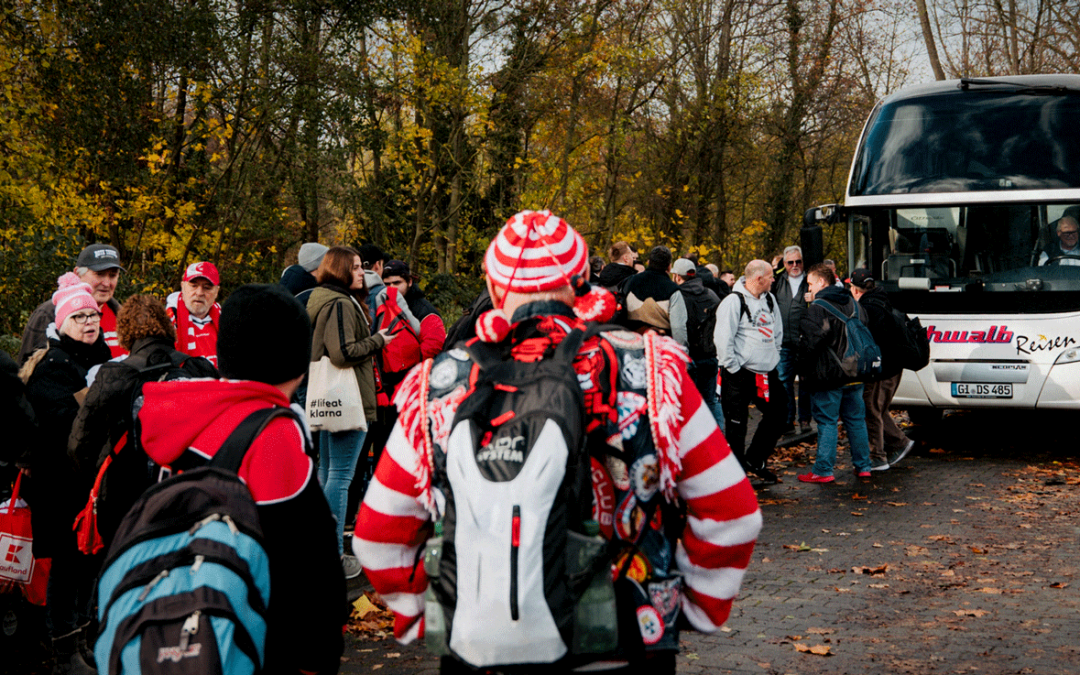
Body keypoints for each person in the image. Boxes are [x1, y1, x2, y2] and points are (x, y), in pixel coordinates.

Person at [353, 210, 761, 674]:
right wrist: (692, 608)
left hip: (479, 649)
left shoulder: (440, 384)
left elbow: (378, 535)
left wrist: (420, 615)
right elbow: (731, 512)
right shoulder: (651, 369)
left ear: (495, 288)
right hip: (626, 642)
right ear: (583, 278)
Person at [134, 283, 346, 675]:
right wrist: (319, 653)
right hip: (254, 641)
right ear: (297, 361)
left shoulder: (186, 416)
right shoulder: (274, 433)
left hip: (182, 626)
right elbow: (304, 559)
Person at [68, 295, 219, 544]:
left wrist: (96, 480)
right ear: (166, 327)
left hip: (125, 498)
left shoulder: (113, 375)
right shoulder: (198, 368)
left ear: (125, 332)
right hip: (189, 491)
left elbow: (80, 444)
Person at [20, 273, 113, 675]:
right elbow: (61, 425)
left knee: (89, 561)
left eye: (93, 314)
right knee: (66, 564)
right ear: (62, 322)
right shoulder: (52, 365)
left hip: (91, 482)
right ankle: (63, 650)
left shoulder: (102, 354)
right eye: (80, 316)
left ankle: (84, 638)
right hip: (60, 483)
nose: (90, 322)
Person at [306, 247, 391, 579]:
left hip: (327, 396)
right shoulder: (341, 303)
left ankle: (321, 548)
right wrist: (378, 340)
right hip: (348, 396)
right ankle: (334, 556)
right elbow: (342, 353)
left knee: (327, 472)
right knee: (340, 477)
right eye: (355, 267)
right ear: (340, 270)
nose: (361, 272)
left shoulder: (320, 297)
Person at [797, 264, 873, 483]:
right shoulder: (854, 303)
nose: (809, 287)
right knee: (856, 421)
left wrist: (801, 368)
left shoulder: (818, 307)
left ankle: (823, 470)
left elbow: (811, 342)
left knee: (827, 421)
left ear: (822, 282)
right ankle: (864, 466)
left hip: (828, 375)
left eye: (811, 283)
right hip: (855, 372)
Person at [714, 260, 786, 484]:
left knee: (779, 414)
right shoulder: (733, 302)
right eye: (771, 276)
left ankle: (755, 459)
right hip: (739, 373)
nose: (774, 279)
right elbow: (722, 339)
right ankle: (736, 476)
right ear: (758, 279)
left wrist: (771, 357)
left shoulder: (770, 300)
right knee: (737, 424)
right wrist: (734, 369)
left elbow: (777, 333)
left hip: (766, 373)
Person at [847, 269, 915, 470]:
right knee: (878, 408)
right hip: (894, 367)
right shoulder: (884, 299)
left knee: (871, 409)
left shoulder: (868, 308)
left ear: (856, 290)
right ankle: (899, 442)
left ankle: (878, 455)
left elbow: (871, 342)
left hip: (882, 370)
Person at [19, 244, 126, 364]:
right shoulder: (49, 314)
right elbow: (28, 369)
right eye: (99, 274)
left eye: (113, 275)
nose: (107, 283)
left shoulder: (125, 317)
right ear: (77, 274)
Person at [671, 258, 724, 429]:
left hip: (690, 357)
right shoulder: (711, 294)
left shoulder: (677, 297)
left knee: (690, 404)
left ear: (677, 277)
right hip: (710, 355)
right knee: (710, 400)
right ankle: (720, 439)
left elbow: (679, 328)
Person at [774, 246, 811, 435]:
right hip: (784, 342)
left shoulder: (811, 281)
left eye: (798, 261)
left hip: (805, 343)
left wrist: (815, 297)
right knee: (783, 382)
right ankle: (787, 420)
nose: (795, 265)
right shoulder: (777, 282)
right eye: (791, 262)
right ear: (785, 264)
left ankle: (805, 419)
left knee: (805, 383)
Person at [620, 245, 688, 346]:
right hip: (661, 347)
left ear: (648, 262)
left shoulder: (629, 282)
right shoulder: (673, 290)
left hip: (632, 344)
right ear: (669, 267)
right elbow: (678, 328)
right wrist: (681, 351)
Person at [165, 261, 222, 367]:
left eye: (207, 288)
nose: (199, 293)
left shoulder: (226, 321)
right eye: (194, 286)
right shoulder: (166, 322)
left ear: (217, 291)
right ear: (183, 286)